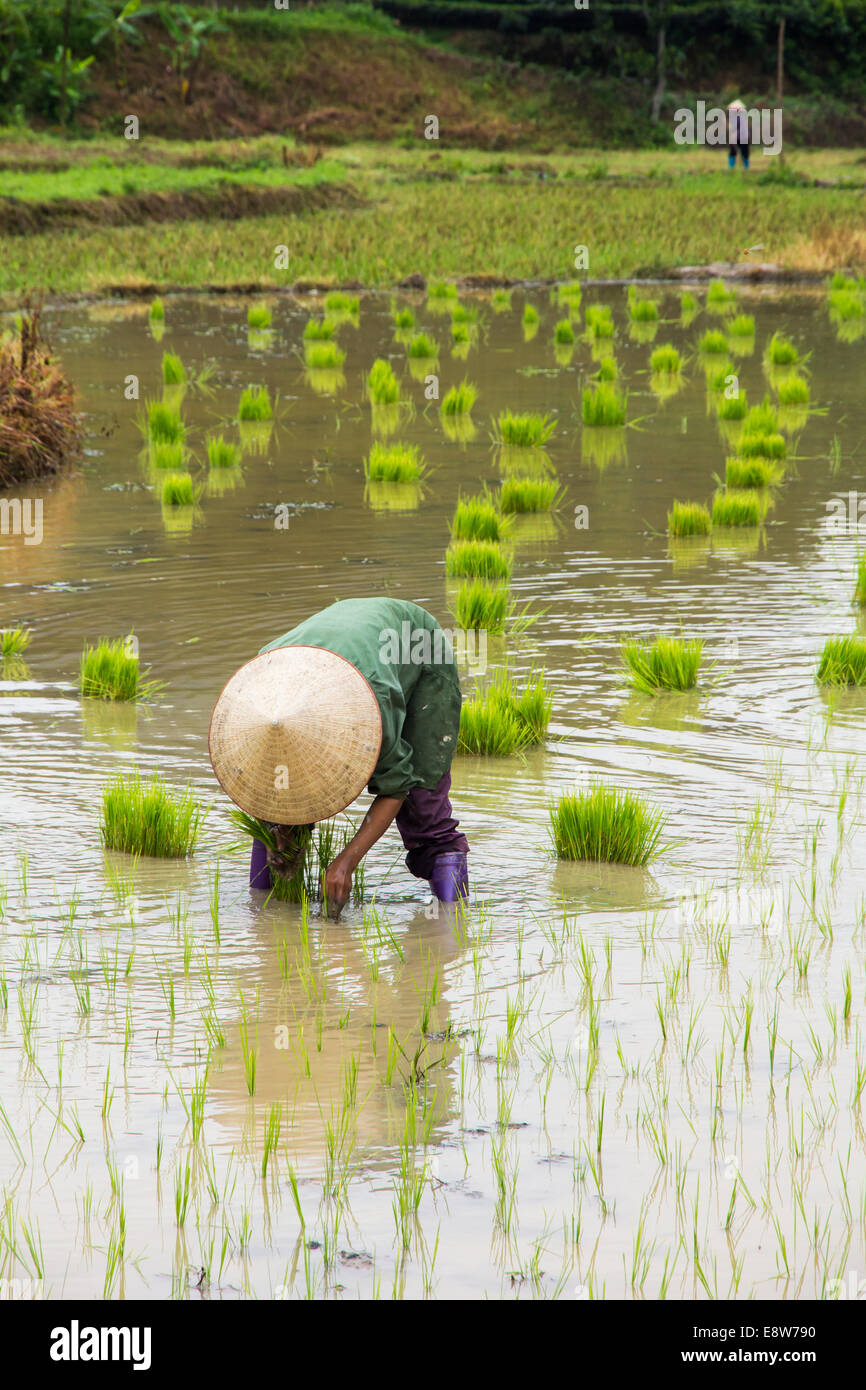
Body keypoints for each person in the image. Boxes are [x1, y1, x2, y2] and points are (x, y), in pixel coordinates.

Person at [208, 597, 469, 917]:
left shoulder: (370, 699)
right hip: (344, 642)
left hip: (413, 644)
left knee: (425, 809)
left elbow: (396, 786)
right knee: (276, 816)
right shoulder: (262, 680)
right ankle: (266, 922)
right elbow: (275, 790)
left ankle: (455, 923)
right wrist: (281, 830)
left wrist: (346, 862)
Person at [727, 99, 750, 170]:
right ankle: (731, 167)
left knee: (744, 152)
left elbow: (742, 128)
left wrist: (735, 133)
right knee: (732, 151)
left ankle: (746, 167)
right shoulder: (733, 118)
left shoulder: (742, 117)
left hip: (743, 137)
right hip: (736, 138)